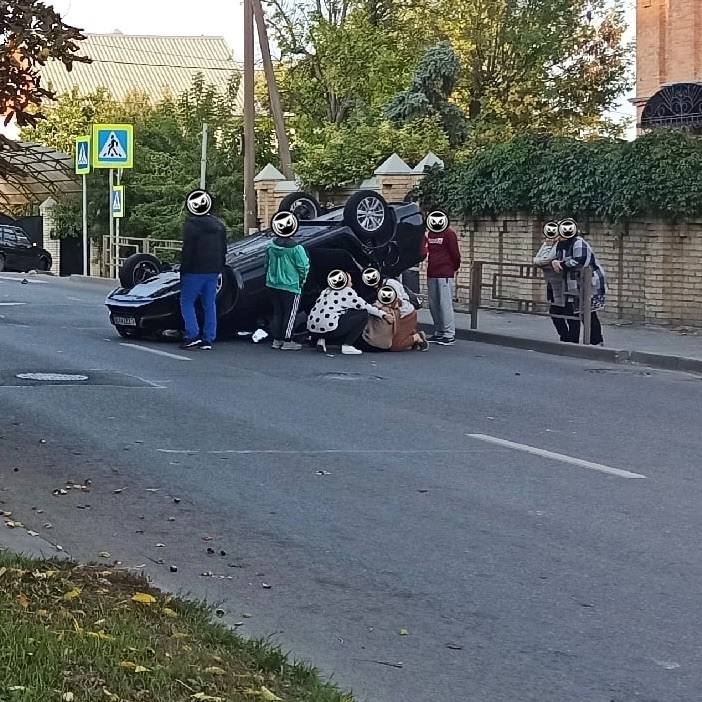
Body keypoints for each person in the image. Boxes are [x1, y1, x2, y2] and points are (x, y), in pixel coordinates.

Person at [179, 192, 227, 351]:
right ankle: (208, 338)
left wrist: (183, 270)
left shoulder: (191, 226)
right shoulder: (219, 226)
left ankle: (192, 335)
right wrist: (220, 267)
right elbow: (223, 249)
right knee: (209, 303)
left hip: (194, 270)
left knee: (187, 302)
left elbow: (188, 251)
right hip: (213, 270)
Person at [307, 270, 393, 355]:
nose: (352, 284)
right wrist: (383, 315)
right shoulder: (346, 291)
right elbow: (364, 306)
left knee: (334, 314)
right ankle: (347, 345)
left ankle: (321, 340)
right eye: (350, 281)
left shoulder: (326, 290)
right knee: (363, 314)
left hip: (314, 331)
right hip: (330, 330)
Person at [551, 219, 606, 345]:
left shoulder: (578, 242)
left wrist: (561, 264)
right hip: (573, 284)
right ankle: (572, 340)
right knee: (570, 311)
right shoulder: (560, 244)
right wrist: (554, 260)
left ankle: (596, 341)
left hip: (589, 283)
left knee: (588, 313)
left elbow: (580, 261)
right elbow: (550, 258)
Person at [265, 227, 310, 351]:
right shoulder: (296, 248)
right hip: (291, 285)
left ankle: (277, 340)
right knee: (290, 314)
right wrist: (302, 281)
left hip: (273, 284)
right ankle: (287, 340)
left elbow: (266, 264)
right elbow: (303, 266)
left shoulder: (270, 246)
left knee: (277, 312)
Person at [424, 216, 461, 345]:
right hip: (431, 273)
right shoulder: (430, 234)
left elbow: (455, 254)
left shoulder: (449, 233)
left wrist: (453, 268)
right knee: (434, 305)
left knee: (445, 305)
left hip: (445, 274)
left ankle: (449, 334)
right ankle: (439, 331)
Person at [534, 221, 571, 342]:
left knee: (564, 311)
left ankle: (568, 338)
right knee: (556, 311)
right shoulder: (550, 244)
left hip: (562, 284)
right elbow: (537, 260)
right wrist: (546, 245)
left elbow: (545, 260)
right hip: (553, 284)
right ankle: (566, 337)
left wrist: (548, 247)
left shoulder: (561, 244)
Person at [383, 277, 429, 352]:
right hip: (397, 314)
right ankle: (410, 334)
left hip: (405, 314)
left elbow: (398, 303)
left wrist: (383, 304)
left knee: (395, 345)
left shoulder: (390, 283)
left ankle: (417, 337)